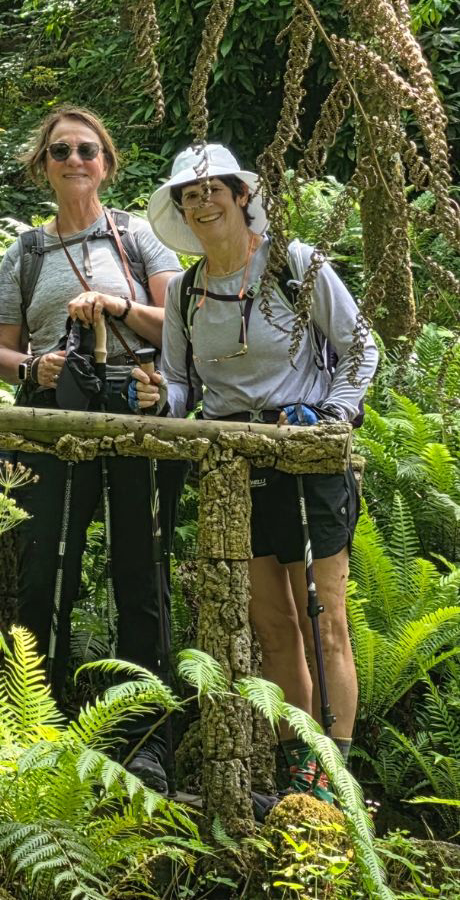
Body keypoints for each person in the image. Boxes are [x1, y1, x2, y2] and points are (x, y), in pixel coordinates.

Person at [149, 142, 376, 805]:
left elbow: (362, 346)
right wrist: (155, 400)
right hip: (231, 467)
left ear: (242, 195)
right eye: (190, 196)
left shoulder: (295, 265)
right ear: (182, 211)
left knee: (321, 617)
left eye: (214, 189)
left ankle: (333, 775)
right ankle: (296, 766)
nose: (204, 202)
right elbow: (178, 383)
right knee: (273, 624)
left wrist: (332, 413)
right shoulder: (188, 291)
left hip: (306, 456)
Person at [0, 106, 185, 789]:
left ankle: (144, 733)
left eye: (88, 150)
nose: (75, 161)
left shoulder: (139, 238)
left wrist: (118, 307)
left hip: (136, 407)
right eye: (61, 151)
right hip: (50, 413)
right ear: (43, 163)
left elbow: (180, 326)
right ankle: (37, 719)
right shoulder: (27, 252)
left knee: (140, 564)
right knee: (45, 563)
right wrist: (30, 367)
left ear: (108, 161)